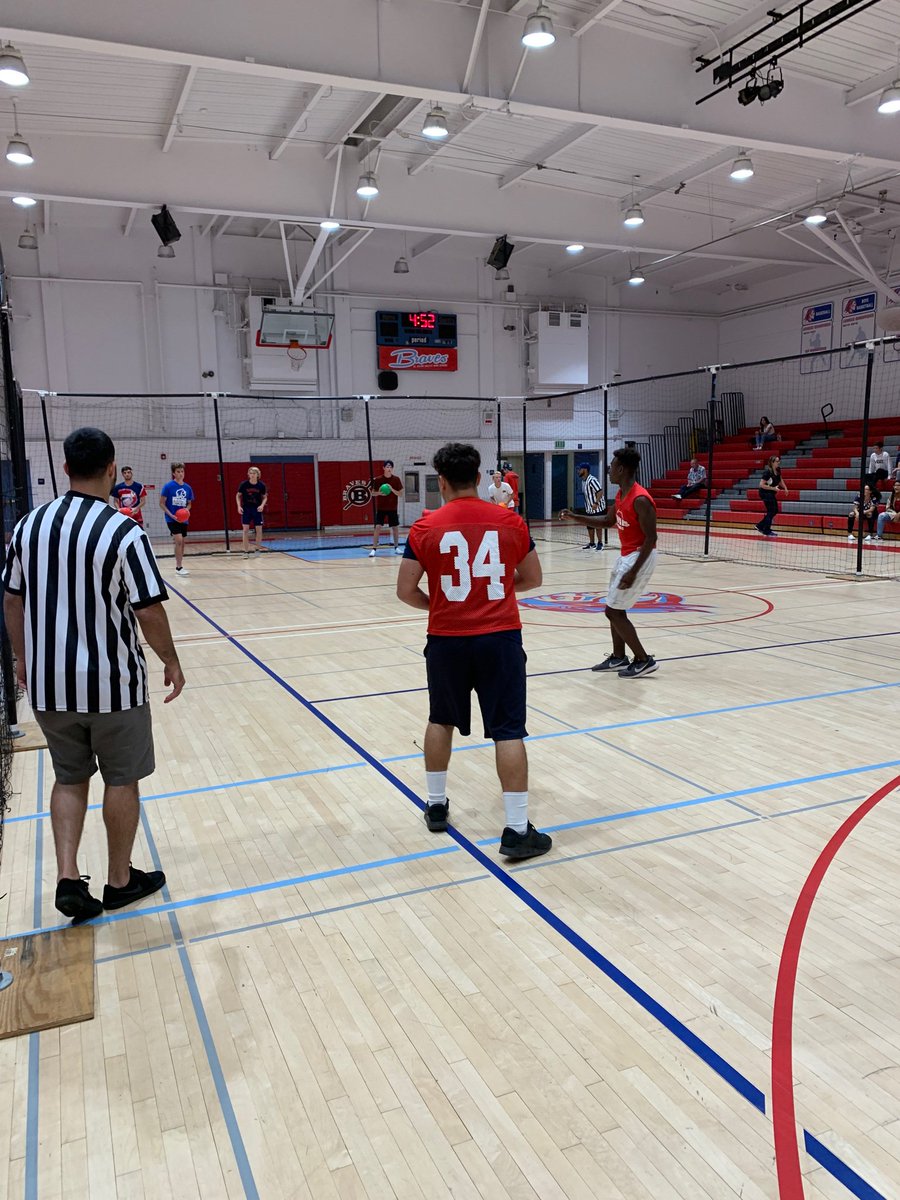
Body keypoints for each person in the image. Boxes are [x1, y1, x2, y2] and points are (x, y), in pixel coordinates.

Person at [2, 427, 185, 924]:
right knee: (121, 780)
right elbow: (148, 610)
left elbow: (12, 599)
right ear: (111, 468)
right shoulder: (125, 531)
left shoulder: (28, 526)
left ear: (65, 469)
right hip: (112, 685)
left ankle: (68, 879)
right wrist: (170, 659)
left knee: (69, 777)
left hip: (49, 686)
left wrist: (22, 658)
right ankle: (120, 881)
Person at [396, 442, 551, 860]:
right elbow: (533, 578)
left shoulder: (425, 527)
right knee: (508, 730)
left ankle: (435, 804)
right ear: (480, 479)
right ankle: (517, 830)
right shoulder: (509, 520)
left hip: (446, 640)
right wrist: (495, 592)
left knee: (440, 719)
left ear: (441, 482)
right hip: (499, 639)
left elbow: (405, 590)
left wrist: (443, 603)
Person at [560, 447, 658, 678]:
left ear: (621, 469)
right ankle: (618, 657)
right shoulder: (621, 494)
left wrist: (633, 572)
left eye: (612, 466)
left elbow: (651, 539)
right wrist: (575, 516)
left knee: (613, 611)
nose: (609, 470)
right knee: (614, 609)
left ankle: (644, 659)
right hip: (627, 555)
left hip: (640, 556)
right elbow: (607, 520)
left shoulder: (640, 498)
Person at [159, 462, 193, 576]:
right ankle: (179, 567)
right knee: (178, 540)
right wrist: (171, 515)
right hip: (171, 518)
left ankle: (180, 564)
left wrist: (187, 510)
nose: (180, 474)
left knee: (182, 543)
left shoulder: (188, 488)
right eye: (178, 472)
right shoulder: (168, 486)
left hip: (183, 519)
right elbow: (162, 503)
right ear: (174, 473)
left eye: (182, 471)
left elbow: (189, 504)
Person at [369, 459, 403, 556]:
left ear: (392, 468)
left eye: (390, 467)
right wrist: (380, 493)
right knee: (378, 527)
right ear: (383, 468)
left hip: (392, 508)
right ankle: (374, 549)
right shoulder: (378, 479)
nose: (389, 468)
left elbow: (400, 494)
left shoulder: (396, 479)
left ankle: (396, 547)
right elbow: (372, 493)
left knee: (395, 528)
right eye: (387, 467)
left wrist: (391, 489)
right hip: (381, 508)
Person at [237, 466, 267, 556]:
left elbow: (265, 497)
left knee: (259, 530)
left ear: (258, 475)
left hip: (257, 509)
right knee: (245, 530)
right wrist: (238, 506)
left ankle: (257, 550)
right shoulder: (244, 484)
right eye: (250, 473)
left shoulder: (261, 485)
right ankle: (245, 551)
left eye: (254, 473)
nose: (252, 475)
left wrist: (262, 505)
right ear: (248, 474)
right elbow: (238, 495)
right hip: (246, 509)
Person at [756, 454, 787, 537]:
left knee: (775, 510)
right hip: (765, 493)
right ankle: (766, 530)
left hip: (771, 493)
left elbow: (780, 479)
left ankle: (760, 525)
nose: (779, 462)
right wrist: (773, 488)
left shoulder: (778, 470)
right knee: (771, 511)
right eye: (777, 461)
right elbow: (761, 485)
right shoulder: (767, 472)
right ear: (772, 463)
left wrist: (785, 488)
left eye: (779, 461)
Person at [576, 462, 605, 550]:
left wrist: (596, 503)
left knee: (598, 525)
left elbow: (600, 491)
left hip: (597, 507)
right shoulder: (583, 481)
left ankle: (600, 543)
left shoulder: (592, 480)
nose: (578, 471)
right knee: (589, 525)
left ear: (585, 470)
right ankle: (592, 543)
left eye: (580, 469)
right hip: (589, 508)